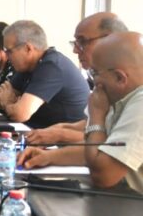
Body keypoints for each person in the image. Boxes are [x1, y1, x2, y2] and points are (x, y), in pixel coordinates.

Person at [18, 32, 143, 193]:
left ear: (119, 78)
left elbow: (103, 175)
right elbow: (102, 152)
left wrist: (97, 116)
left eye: (94, 73)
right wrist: (47, 156)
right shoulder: (122, 99)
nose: (93, 81)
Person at [23, 12, 128, 145]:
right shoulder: (102, 75)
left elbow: (115, 142)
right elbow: (93, 124)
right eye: (75, 43)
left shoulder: (130, 82)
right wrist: (57, 129)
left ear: (110, 40)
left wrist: (60, 135)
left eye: (82, 42)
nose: (75, 50)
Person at [0, 20, 89, 127]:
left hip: (60, 141)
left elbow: (20, 114)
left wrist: (8, 103)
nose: (6, 55)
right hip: (36, 132)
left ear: (28, 48)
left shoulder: (51, 66)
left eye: (9, 51)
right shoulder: (28, 66)